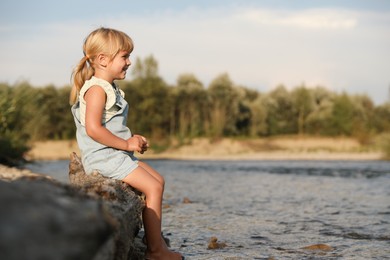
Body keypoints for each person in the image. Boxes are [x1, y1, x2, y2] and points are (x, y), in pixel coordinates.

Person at [70, 27, 183, 260]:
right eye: (124, 56)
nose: (129, 62)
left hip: (115, 154)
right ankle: (156, 251)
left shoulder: (109, 88)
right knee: (152, 188)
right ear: (103, 60)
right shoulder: (96, 91)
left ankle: (153, 238)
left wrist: (133, 140)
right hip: (104, 157)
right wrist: (126, 144)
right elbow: (93, 129)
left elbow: (111, 125)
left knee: (158, 182)